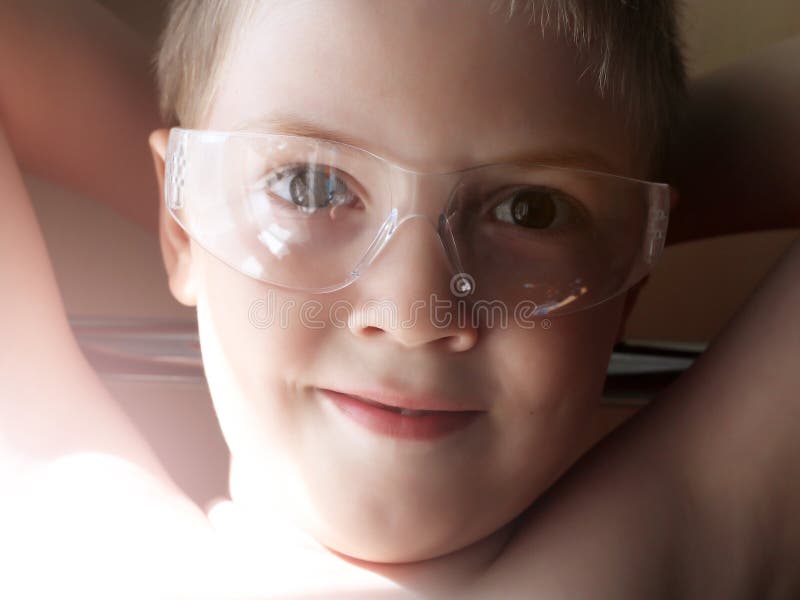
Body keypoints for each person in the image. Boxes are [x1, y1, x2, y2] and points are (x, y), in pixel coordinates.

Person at [0, 0, 798, 598]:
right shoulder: (84, 545)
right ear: (180, 228)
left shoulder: (665, 551)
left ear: (635, 272)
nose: (416, 315)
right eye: (309, 185)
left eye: (530, 210)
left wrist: (627, 191)